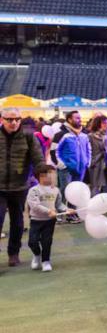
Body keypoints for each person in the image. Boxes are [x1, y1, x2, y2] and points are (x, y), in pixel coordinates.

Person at [0, 107, 45, 266]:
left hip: (19, 186)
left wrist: (43, 175)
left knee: (17, 221)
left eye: (17, 119)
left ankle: (13, 253)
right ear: (2, 119)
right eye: (9, 119)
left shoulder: (28, 136)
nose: (14, 122)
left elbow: (38, 158)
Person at [26, 163, 73, 272]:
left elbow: (58, 204)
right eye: (51, 174)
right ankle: (37, 255)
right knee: (32, 241)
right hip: (36, 220)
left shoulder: (55, 190)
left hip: (50, 221)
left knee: (47, 241)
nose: (54, 176)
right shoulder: (34, 191)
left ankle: (45, 261)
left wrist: (66, 209)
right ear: (41, 176)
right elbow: (35, 206)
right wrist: (49, 211)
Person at [55, 111, 91, 186]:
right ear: (69, 120)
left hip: (81, 168)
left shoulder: (84, 134)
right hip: (66, 169)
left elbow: (89, 150)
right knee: (66, 192)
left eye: (80, 118)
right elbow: (54, 151)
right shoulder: (61, 134)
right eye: (77, 118)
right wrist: (62, 165)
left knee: (77, 191)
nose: (80, 120)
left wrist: (87, 162)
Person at [87, 115, 107, 196]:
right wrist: (91, 162)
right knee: (95, 186)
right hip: (96, 164)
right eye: (104, 123)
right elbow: (88, 151)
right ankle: (94, 205)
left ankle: (104, 204)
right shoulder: (90, 136)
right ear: (98, 124)